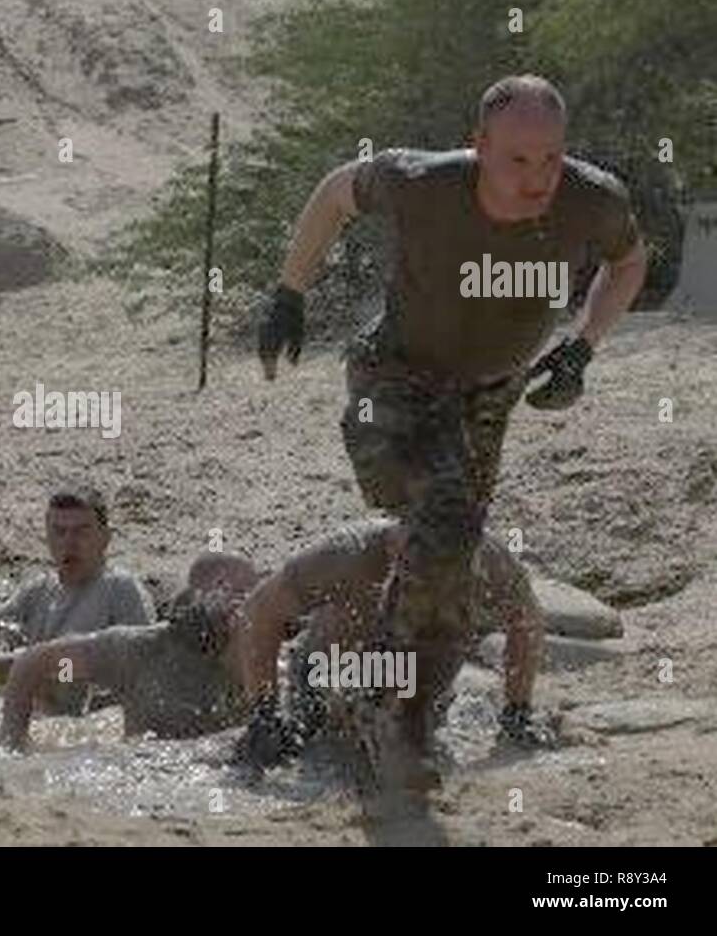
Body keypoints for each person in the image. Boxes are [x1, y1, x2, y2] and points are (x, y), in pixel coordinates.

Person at [254, 74, 645, 784]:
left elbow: (629, 261)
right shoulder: (422, 182)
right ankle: (376, 704)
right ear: (479, 147)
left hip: (487, 394)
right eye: (517, 160)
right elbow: (337, 191)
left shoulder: (594, 199)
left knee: (451, 559)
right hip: (392, 382)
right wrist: (289, 291)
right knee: (443, 517)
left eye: (551, 159)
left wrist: (584, 346)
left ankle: (405, 713)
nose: (537, 179)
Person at [234, 519, 552, 787]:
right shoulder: (344, 556)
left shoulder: (488, 561)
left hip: (423, 683)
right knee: (333, 745)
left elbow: (527, 620)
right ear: (395, 550)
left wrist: (517, 710)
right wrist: (264, 714)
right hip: (327, 674)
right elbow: (258, 612)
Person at [0, 552, 261, 749]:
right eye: (226, 595)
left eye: (246, 599)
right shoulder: (140, 649)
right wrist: (14, 740)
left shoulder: (262, 659)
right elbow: (33, 662)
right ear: (193, 604)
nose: (235, 610)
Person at [0, 484, 154, 715]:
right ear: (48, 539)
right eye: (59, 532)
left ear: (105, 538)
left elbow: (143, 671)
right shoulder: (38, 589)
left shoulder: (120, 590)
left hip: (91, 726)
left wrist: (55, 669)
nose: (69, 543)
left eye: (81, 531)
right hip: (40, 716)